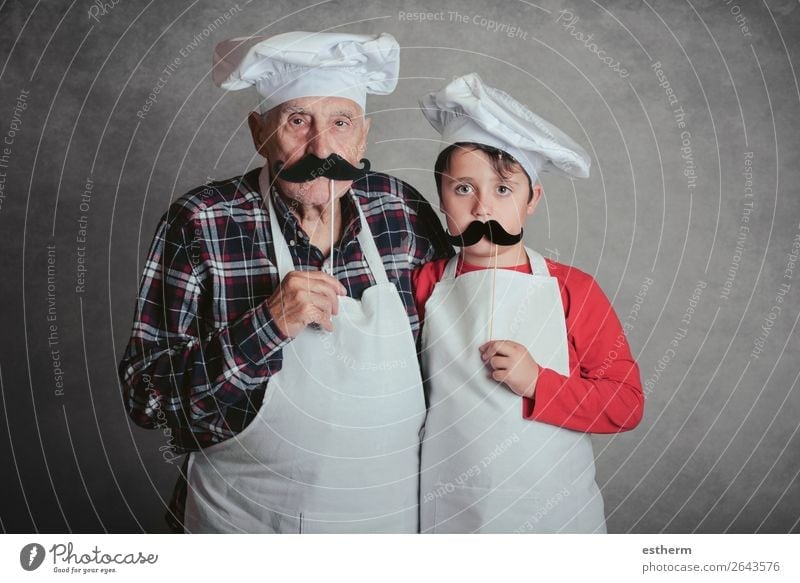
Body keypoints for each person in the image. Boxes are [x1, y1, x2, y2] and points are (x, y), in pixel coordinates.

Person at [118, 31, 451, 533]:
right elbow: (148, 402)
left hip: (389, 525)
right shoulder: (203, 222)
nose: (322, 147)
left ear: (363, 136)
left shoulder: (400, 210)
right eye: (298, 122)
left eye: (341, 123)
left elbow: (454, 354)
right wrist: (266, 326)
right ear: (259, 132)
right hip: (245, 526)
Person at [413, 73, 644, 533]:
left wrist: (540, 382)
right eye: (463, 189)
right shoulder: (425, 284)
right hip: (451, 513)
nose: (482, 209)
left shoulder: (572, 289)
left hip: (554, 518)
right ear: (441, 196)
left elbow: (626, 403)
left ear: (532, 199)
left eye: (503, 190)